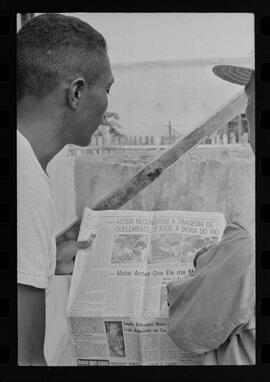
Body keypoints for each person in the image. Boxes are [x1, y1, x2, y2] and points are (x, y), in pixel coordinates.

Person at [17, 13, 114, 365]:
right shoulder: (24, 183)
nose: (107, 105)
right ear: (76, 92)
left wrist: (44, 255)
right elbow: (25, 361)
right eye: (107, 89)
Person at [167, 65, 255, 365]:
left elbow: (188, 330)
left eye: (250, 106)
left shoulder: (248, 241)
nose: (246, 120)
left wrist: (206, 264)